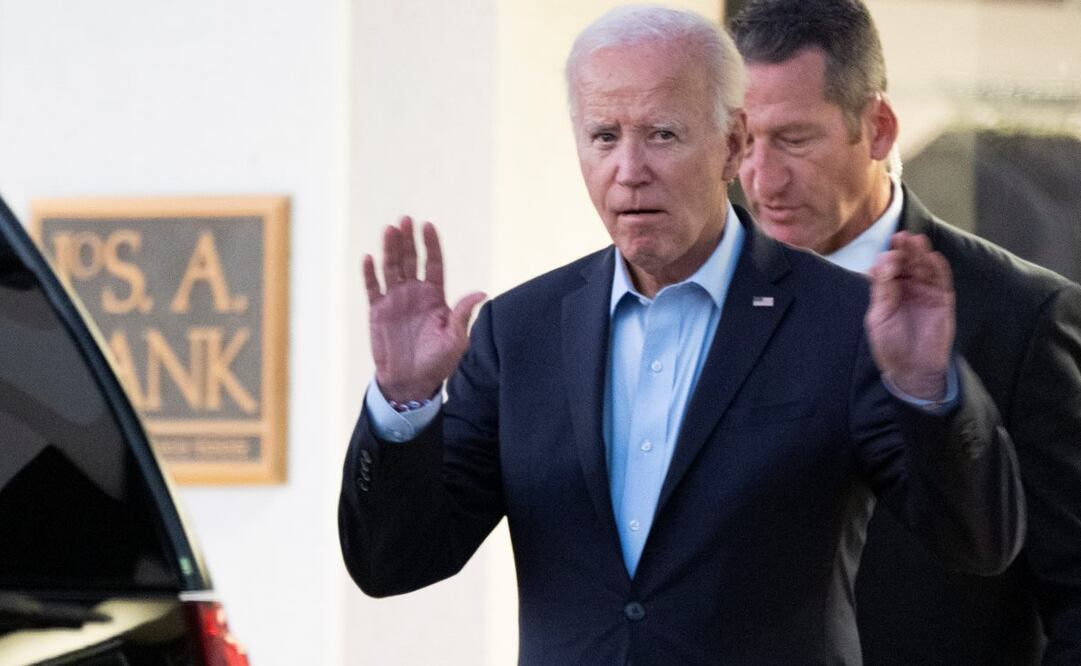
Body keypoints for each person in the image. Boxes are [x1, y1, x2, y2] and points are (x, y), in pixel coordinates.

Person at [339, 6, 1024, 663]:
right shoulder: (518, 333)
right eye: (604, 136)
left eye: (661, 134)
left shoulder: (841, 321)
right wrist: (403, 405)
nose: (628, 168)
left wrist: (928, 389)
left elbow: (977, 543)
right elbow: (393, 562)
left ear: (731, 144)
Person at [731, 1, 1081, 663]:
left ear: (880, 127)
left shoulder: (1020, 317)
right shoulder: (698, 299)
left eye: (794, 139)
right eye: (744, 142)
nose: (762, 180)